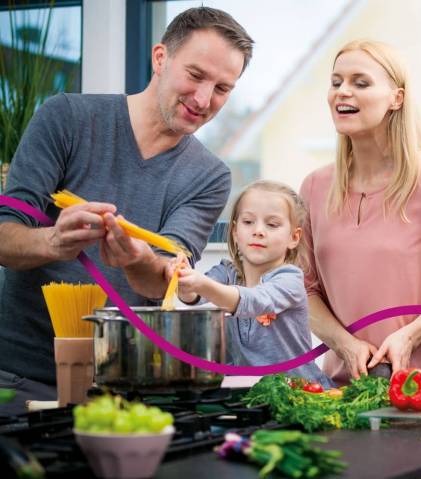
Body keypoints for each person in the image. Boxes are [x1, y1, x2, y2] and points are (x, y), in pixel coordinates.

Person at [0, 7, 253, 415]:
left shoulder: (209, 176)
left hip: (124, 390)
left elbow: (167, 279)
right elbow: (4, 234)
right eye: (196, 75)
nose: (204, 99)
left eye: (223, 88)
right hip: (17, 377)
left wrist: (138, 259)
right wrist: (53, 241)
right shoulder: (66, 118)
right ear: (159, 58)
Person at [301, 39, 421, 388]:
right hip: (338, 389)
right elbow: (304, 290)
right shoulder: (314, 188)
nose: (342, 92)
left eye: (360, 83)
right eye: (336, 82)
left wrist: (409, 336)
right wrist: (344, 344)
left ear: (397, 98)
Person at [167, 181, 329, 385]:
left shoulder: (290, 279)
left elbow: (255, 300)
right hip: (250, 394)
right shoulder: (226, 272)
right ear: (235, 232)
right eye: (248, 222)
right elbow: (195, 296)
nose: (258, 231)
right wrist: (185, 281)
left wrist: (200, 284)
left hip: (302, 393)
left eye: (272, 224)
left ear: (294, 237)